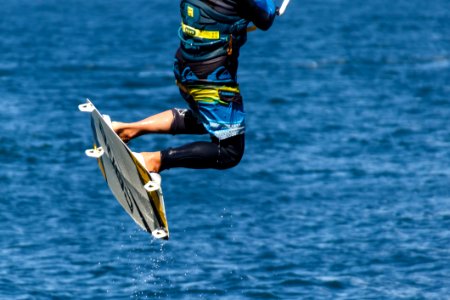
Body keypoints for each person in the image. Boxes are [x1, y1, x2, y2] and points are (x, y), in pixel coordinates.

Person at [113, 0, 277, 173]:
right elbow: (266, 18)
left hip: (185, 67)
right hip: (211, 79)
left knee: (204, 120)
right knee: (229, 152)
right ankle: (152, 161)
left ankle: (127, 130)